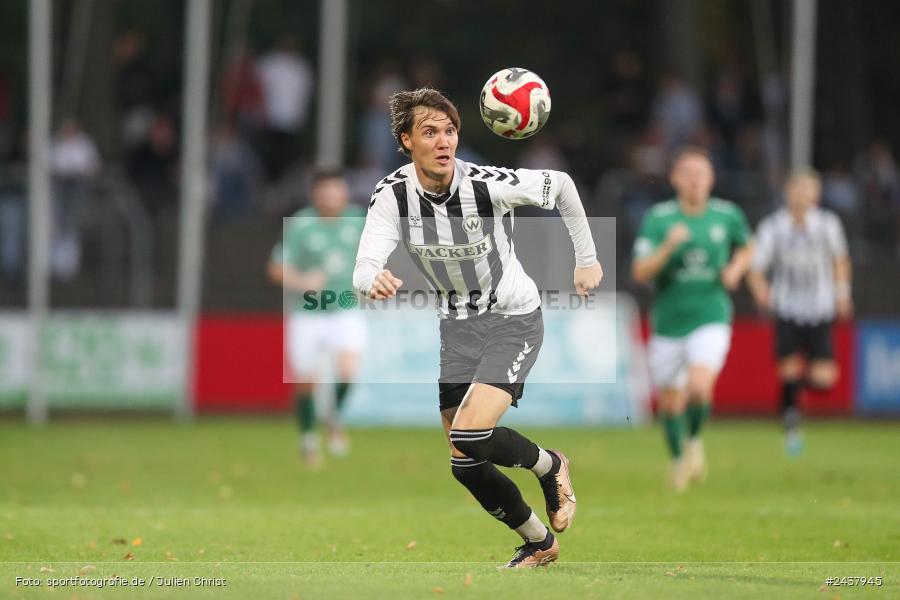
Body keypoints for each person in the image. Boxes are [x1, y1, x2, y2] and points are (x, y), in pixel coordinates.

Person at [352, 88, 603, 568]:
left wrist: (587, 260)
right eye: (430, 132)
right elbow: (363, 266)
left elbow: (562, 186)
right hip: (456, 328)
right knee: (463, 463)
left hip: (513, 318)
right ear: (407, 141)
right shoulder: (393, 194)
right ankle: (538, 541)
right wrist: (372, 280)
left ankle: (550, 465)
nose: (444, 141)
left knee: (469, 435)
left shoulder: (486, 184)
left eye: (450, 131)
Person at [631, 146, 753, 492]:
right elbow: (640, 271)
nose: (695, 180)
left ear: (712, 178)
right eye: (688, 173)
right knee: (670, 402)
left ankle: (695, 440)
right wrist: (668, 247)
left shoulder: (727, 215)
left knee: (699, 387)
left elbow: (747, 247)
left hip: (711, 314)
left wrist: (736, 268)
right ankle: (677, 459)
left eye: (701, 173)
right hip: (669, 322)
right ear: (675, 178)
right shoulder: (660, 218)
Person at [747, 169, 852, 454]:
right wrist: (761, 289)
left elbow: (840, 260)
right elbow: (755, 267)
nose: (803, 196)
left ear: (816, 195)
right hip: (787, 308)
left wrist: (843, 295)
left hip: (820, 309)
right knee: (788, 369)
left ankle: (791, 399)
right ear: (788, 193)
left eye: (809, 190)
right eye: (798, 190)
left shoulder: (828, 225)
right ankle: (791, 426)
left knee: (824, 379)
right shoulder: (773, 227)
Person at [268, 170, 366, 465]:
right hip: (308, 313)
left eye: (337, 190)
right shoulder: (301, 224)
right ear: (316, 195)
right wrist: (302, 280)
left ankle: (333, 417)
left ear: (344, 193)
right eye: (326, 192)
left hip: (347, 308)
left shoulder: (360, 220)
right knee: (306, 381)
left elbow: (382, 255)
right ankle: (308, 440)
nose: (332, 197)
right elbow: (275, 268)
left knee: (348, 372)